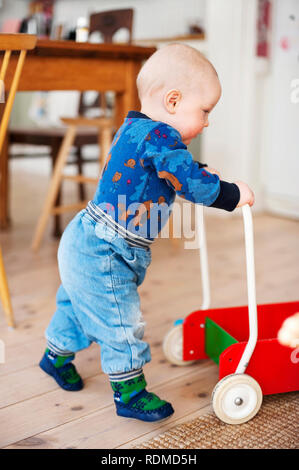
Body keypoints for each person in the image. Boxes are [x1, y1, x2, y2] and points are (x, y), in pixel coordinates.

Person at [39, 43, 254, 422]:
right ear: (173, 101)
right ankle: (130, 392)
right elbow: (186, 179)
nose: (207, 122)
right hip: (104, 250)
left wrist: (199, 171)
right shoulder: (159, 138)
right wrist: (231, 193)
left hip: (88, 240)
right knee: (121, 320)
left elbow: (176, 168)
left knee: (78, 304)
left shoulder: (138, 130)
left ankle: (55, 356)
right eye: (204, 111)